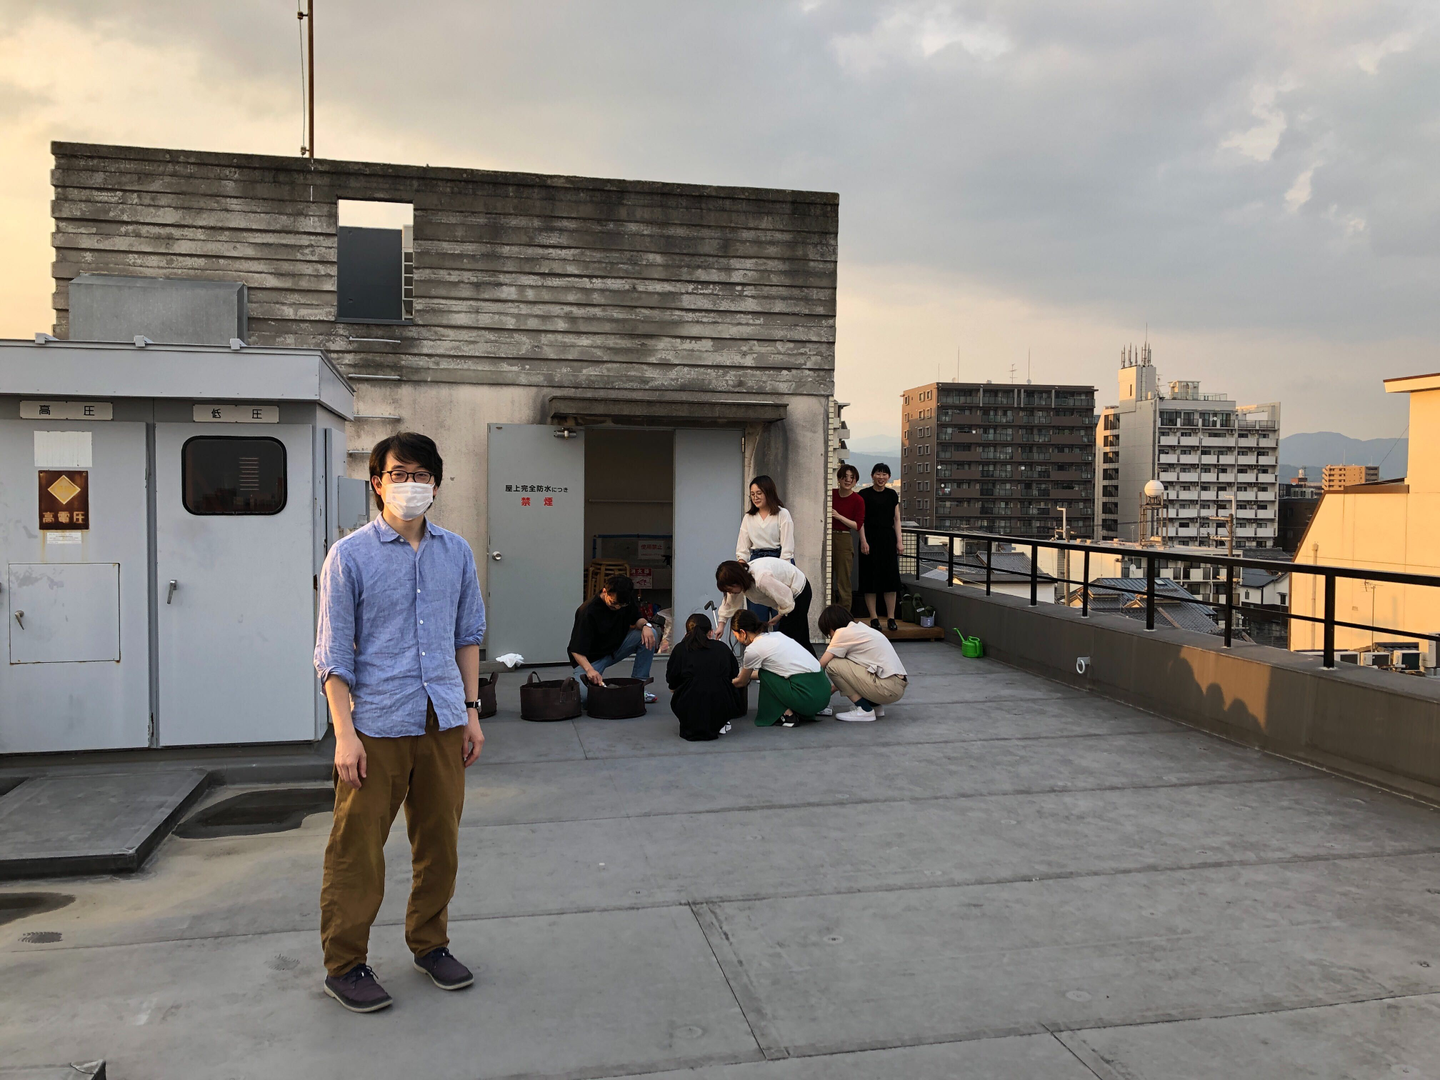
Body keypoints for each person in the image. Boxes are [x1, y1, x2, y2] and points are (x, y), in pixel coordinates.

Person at [314, 432, 486, 1014]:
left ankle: (430, 944)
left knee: (440, 843)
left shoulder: (456, 552)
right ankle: (345, 964)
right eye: (399, 474)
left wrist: (471, 712)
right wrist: (344, 735)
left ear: (435, 484)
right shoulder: (349, 556)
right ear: (377, 482)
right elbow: (333, 655)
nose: (411, 485)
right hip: (376, 726)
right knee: (357, 850)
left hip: (442, 719)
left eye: (422, 475)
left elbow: (467, 636)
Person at [730, 609, 832, 727]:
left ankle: (787, 715)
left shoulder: (753, 649)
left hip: (809, 698)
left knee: (765, 674)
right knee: (767, 674)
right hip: (824, 693)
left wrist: (724, 682)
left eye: (736, 636)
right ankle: (795, 710)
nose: (737, 640)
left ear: (742, 632)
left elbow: (742, 682)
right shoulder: (777, 636)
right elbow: (771, 674)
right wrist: (742, 673)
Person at [568, 574, 658, 704]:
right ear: (605, 591)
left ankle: (639, 686)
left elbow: (637, 619)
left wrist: (646, 625)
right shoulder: (588, 611)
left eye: (622, 605)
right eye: (614, 603)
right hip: (591, 659)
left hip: (616, 649)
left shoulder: (625, 600)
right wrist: (590, 670)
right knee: (584, 697)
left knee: (651, 633)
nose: (617, 607)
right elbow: (576, 649)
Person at [816, 604, 909, 722]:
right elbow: (851, 675)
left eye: (829, 633)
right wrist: (833, 688)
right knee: (848, 664)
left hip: (886, 688)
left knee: (833, 665)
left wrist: (815, 694)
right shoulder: (862, 629)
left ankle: (865, 710)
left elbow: (820, 666)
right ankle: (875, 706)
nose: (831, 638)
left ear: (831, 627)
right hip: (896, 686)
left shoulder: (842, 633)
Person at [665, 612, 747, 741]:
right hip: (722, 703)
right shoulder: (722, 648)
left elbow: (672, 680)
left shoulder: (680, 649)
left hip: (688, 705)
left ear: (687, 633)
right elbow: (734, 673)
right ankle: (719, 721)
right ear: (710, 632)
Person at [714, 557, 814, 655]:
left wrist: (780, 614)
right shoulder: (741, 581)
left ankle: (805, 663)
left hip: (798, 590)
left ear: (737, 581)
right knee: (798, 637)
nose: (730, 593)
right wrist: (721, 626)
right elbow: (729, 603)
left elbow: (786, 596)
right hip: (788, 598)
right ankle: (812, 663)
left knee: (791, 637)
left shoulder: (761, 578)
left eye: (729, 589)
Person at [735, 475, 794, 623]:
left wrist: (783, 571)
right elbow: (742, 549)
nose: (755, 497)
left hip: (778, 561)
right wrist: (742, 568)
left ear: (768, 492)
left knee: (781, 612)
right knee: (756, 615)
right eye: (752, 494)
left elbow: (787, 547)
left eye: (759, 493)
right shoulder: (748, 518)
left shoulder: (782, 514)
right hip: (756, 563)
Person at [858, 462, 903, 631]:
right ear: (872, 476)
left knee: (890, 579)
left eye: (884, 474)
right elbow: (860, 520)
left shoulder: (892, 494)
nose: (881, 477)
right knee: (870, 579)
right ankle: (874, 618)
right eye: (878, 473)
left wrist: (899, 541)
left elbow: (897, 519)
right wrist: (863, 541)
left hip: (888, 539)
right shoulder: (864, 494)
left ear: (889, 477)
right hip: (869, 539)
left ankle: (891, 618)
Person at [831, 463, 865, 611]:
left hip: (844, 538)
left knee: (843, 579)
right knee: (825, 575)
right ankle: (827, 610)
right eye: (845, 477)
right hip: (827, 536)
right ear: (839, 478)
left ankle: (844, 613)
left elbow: (857, 525)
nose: (848, 480)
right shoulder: (831, 494)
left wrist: (839, 516)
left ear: (856, 481)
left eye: (852, 477)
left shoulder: (858, 500)